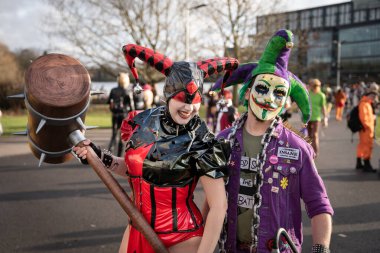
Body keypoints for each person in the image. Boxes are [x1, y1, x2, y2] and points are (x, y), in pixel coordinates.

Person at [74, 44, 239, 253]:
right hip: (137, 230)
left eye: (195, 101)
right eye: (182, 99)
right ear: (168, 94)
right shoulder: (143, 122)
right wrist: (99, 157)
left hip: (183, 238)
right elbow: (135, 171)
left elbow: (219, 206)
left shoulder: (202, 140)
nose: (189, 108)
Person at [209, 29, 333, 253]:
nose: (269, 99)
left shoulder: (297, 148)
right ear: (247, 93)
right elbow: (209, 203)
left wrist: (320, 249)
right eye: (263, 88)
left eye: (279, 94)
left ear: (286, 101)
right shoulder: (222, 142)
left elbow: (318, 204)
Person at [107, 72, 133, 156]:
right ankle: (118, 156)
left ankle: (108, 155)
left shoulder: (113, 90)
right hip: (124, 115)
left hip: (115, 115)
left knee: (114, 135)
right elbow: (132, 106)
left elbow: (109, 103)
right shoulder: (128, 91)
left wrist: (113, 110)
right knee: (122, 137)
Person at [356, 82, 379, 172]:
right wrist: (369, 127)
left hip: (367, 129)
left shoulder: (366, 103)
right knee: (367, 146)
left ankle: (361, 162)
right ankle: (367, 164)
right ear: (369, 95)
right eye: (373, 96)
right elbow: (364, 118)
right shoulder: (365, 104)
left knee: (363, 146)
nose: (374, 98)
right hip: (367, 129)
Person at [307, 78, 327, 157]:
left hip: (316, 118)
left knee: (315, 135)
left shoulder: (321, 95)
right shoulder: (308, 93)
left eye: (315, 85)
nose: (313, 87)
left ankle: (316, 151)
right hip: (308, 117)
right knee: (309, 136)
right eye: (312, 85)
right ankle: (309, 151)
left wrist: (325, 118)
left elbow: (323, 107)